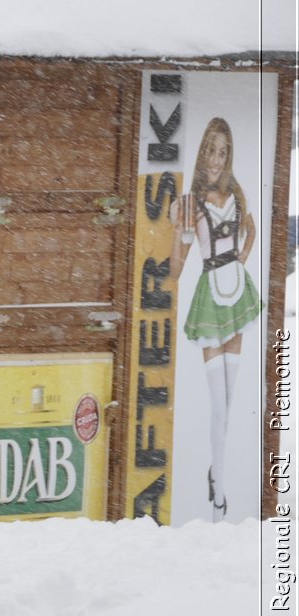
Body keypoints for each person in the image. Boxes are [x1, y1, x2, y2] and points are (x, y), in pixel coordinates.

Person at [169, 117, 262, 523]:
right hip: (210, 297)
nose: (215, 159)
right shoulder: (189, 203)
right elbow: (174, 270)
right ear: (202, 150)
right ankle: (219, 496)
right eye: (211, 149)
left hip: (237, 294)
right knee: (218, 405)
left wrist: (239, 263)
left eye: (223, 151)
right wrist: (178, 229)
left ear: (229, 156)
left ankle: (217, 476)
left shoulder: (236, 194)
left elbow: (252, 232)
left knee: (231, 398)